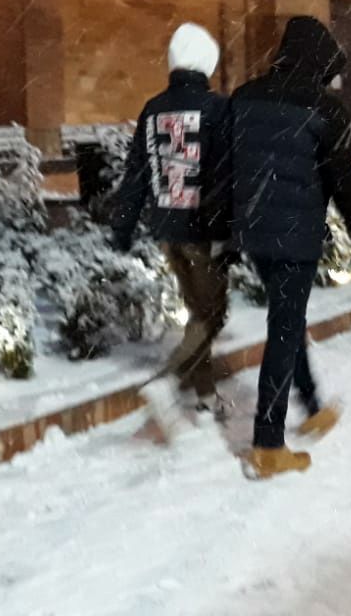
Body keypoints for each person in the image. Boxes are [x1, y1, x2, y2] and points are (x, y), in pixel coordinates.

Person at [230, 16, 351, 480]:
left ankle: (311, 405)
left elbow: (225, 163)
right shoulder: (324, 109)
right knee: (285, 328)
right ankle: (268, 443)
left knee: (287, 319)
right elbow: (342, 180)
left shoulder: (244, 97)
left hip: (254, 232)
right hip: (294, 236)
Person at [110, 23, 233, 411]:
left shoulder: (153, 110)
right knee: (212, 315)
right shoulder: (218, 110)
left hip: (167, 228)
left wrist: (123, 225)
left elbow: (136, 174)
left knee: (198, 311)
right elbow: (225, 176)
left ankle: (205, 393)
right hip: (203, 231)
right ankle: (170, 381)